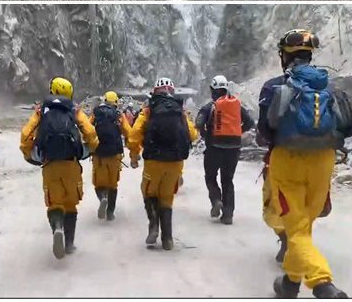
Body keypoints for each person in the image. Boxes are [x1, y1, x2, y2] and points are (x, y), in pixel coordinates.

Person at [258, 30, 351, 299]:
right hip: (323, 161)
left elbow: (265, 131)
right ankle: (289, 282)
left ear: (285, 56)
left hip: (288, 161)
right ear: (310, 55)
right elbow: (347, 126)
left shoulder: (274, 86)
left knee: (296, 227)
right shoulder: (329, 85)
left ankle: (323, 285)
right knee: (304, 225)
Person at [19, 77, 98, 259]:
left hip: (50, 163)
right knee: (70, 203)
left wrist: (29, 154)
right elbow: (91, 133)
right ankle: (69, 244)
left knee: (55, 202)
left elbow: (25, 135)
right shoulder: (74, 110)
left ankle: (57, 228)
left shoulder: (42, 111)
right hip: (71, 163)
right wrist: (90, 148)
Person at [128, 77, 198, 250]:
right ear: (171, 91)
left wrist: (134, 155)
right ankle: (167, 239)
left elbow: (134, 134)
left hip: (154, 160)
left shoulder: (148, 110)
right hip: (175, 163)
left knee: (148, 192)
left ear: (155, 92)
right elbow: (193, 134)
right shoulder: (179, 110)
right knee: (166, 198)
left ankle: (153, 226)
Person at [195, 74, 254, 225]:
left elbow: (199, 122)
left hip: (214, 147)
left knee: (210, 177)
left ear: (212, 89)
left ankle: (216, 200)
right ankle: (228, 215)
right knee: (228, 180)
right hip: (233, 148)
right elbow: (250, 122)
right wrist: (237, 132)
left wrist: (206, 134)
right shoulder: (237, 106)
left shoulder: (210, 107)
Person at [89, 91, 132, 221]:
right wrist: (132, 148)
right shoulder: (119, 115)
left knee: (99, 183)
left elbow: (87, 129)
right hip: (115, 154)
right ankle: (110, 213)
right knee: (113, 185)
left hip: (99, 154)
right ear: (116, 103)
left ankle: (102, 197)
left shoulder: (96, 114)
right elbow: (128, 133)